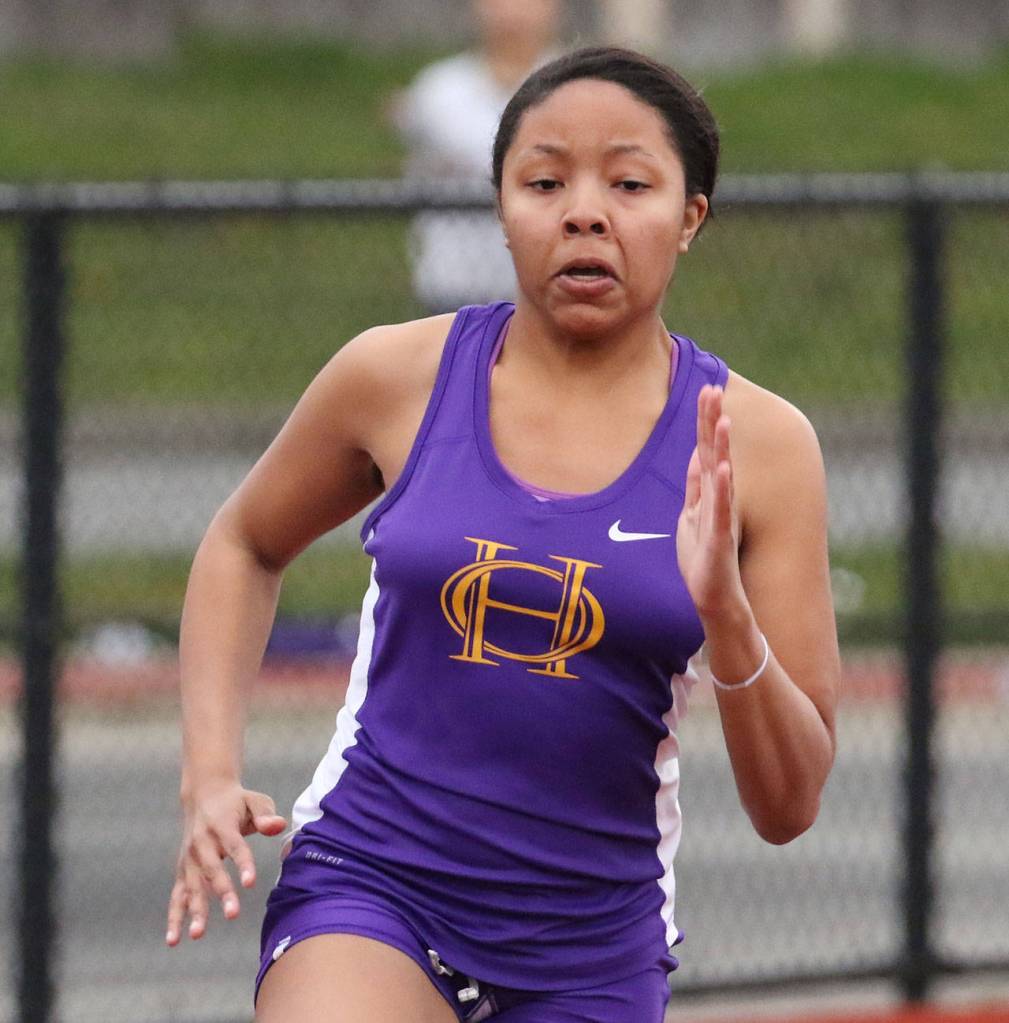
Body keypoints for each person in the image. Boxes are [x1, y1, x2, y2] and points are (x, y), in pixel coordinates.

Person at [166, 46, 840, 1023]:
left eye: (629, 182)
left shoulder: (760, 447)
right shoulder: (392, 378)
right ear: (500, 207)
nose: (583, 211)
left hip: (591, 945)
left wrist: (728, 621)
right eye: (543, 180)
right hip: (375, 881)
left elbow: (789, 807)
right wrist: (208, 776)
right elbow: (244, 544)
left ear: (690, 216)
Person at [391, 0, 562, 312]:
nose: (514, 11)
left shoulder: (576, 87)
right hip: (451, 286)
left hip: (546, 289)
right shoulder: (439, 88)